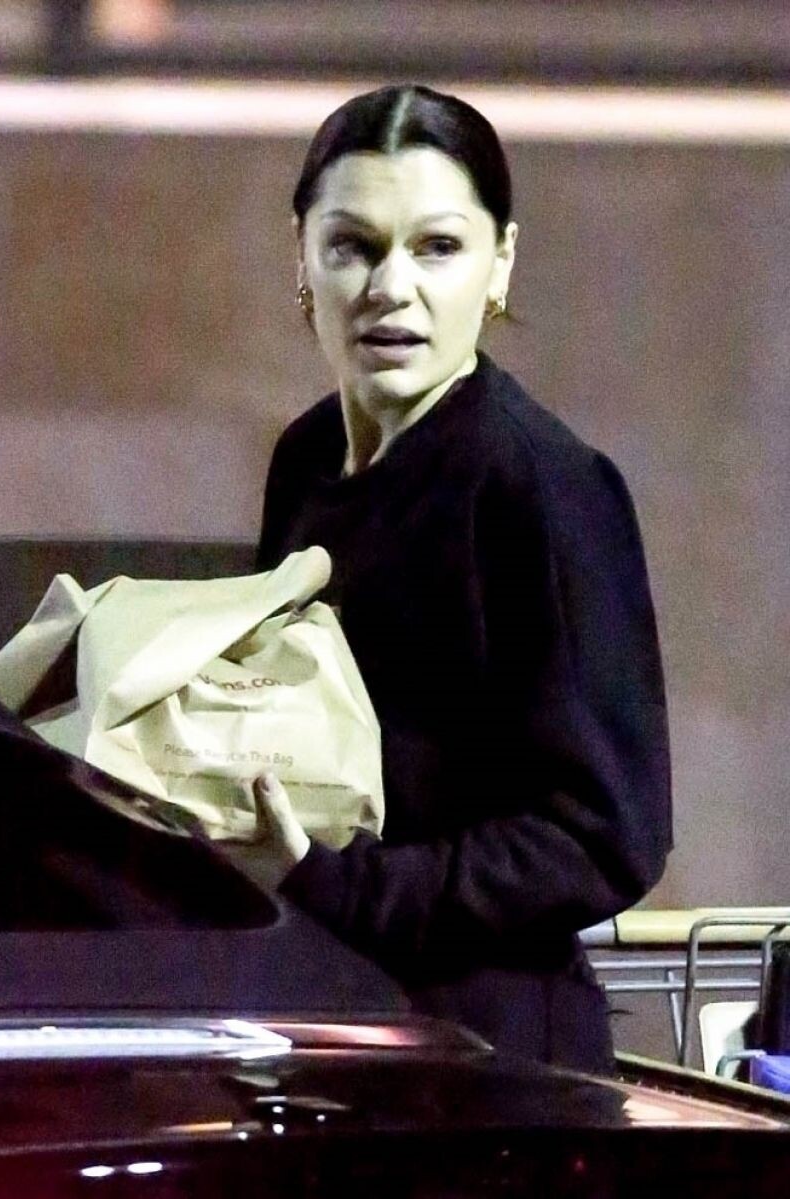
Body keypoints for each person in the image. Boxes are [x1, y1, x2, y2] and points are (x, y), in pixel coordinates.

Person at [248, 84, 672, 1073]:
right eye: (351, 246)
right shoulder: (306, 459)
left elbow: (604, 836)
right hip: (328, 1025)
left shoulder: (540, 484)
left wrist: (339, 885)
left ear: (500, 262)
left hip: (494, 1065)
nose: (389, 287)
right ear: (300, 257)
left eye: (436, 247)